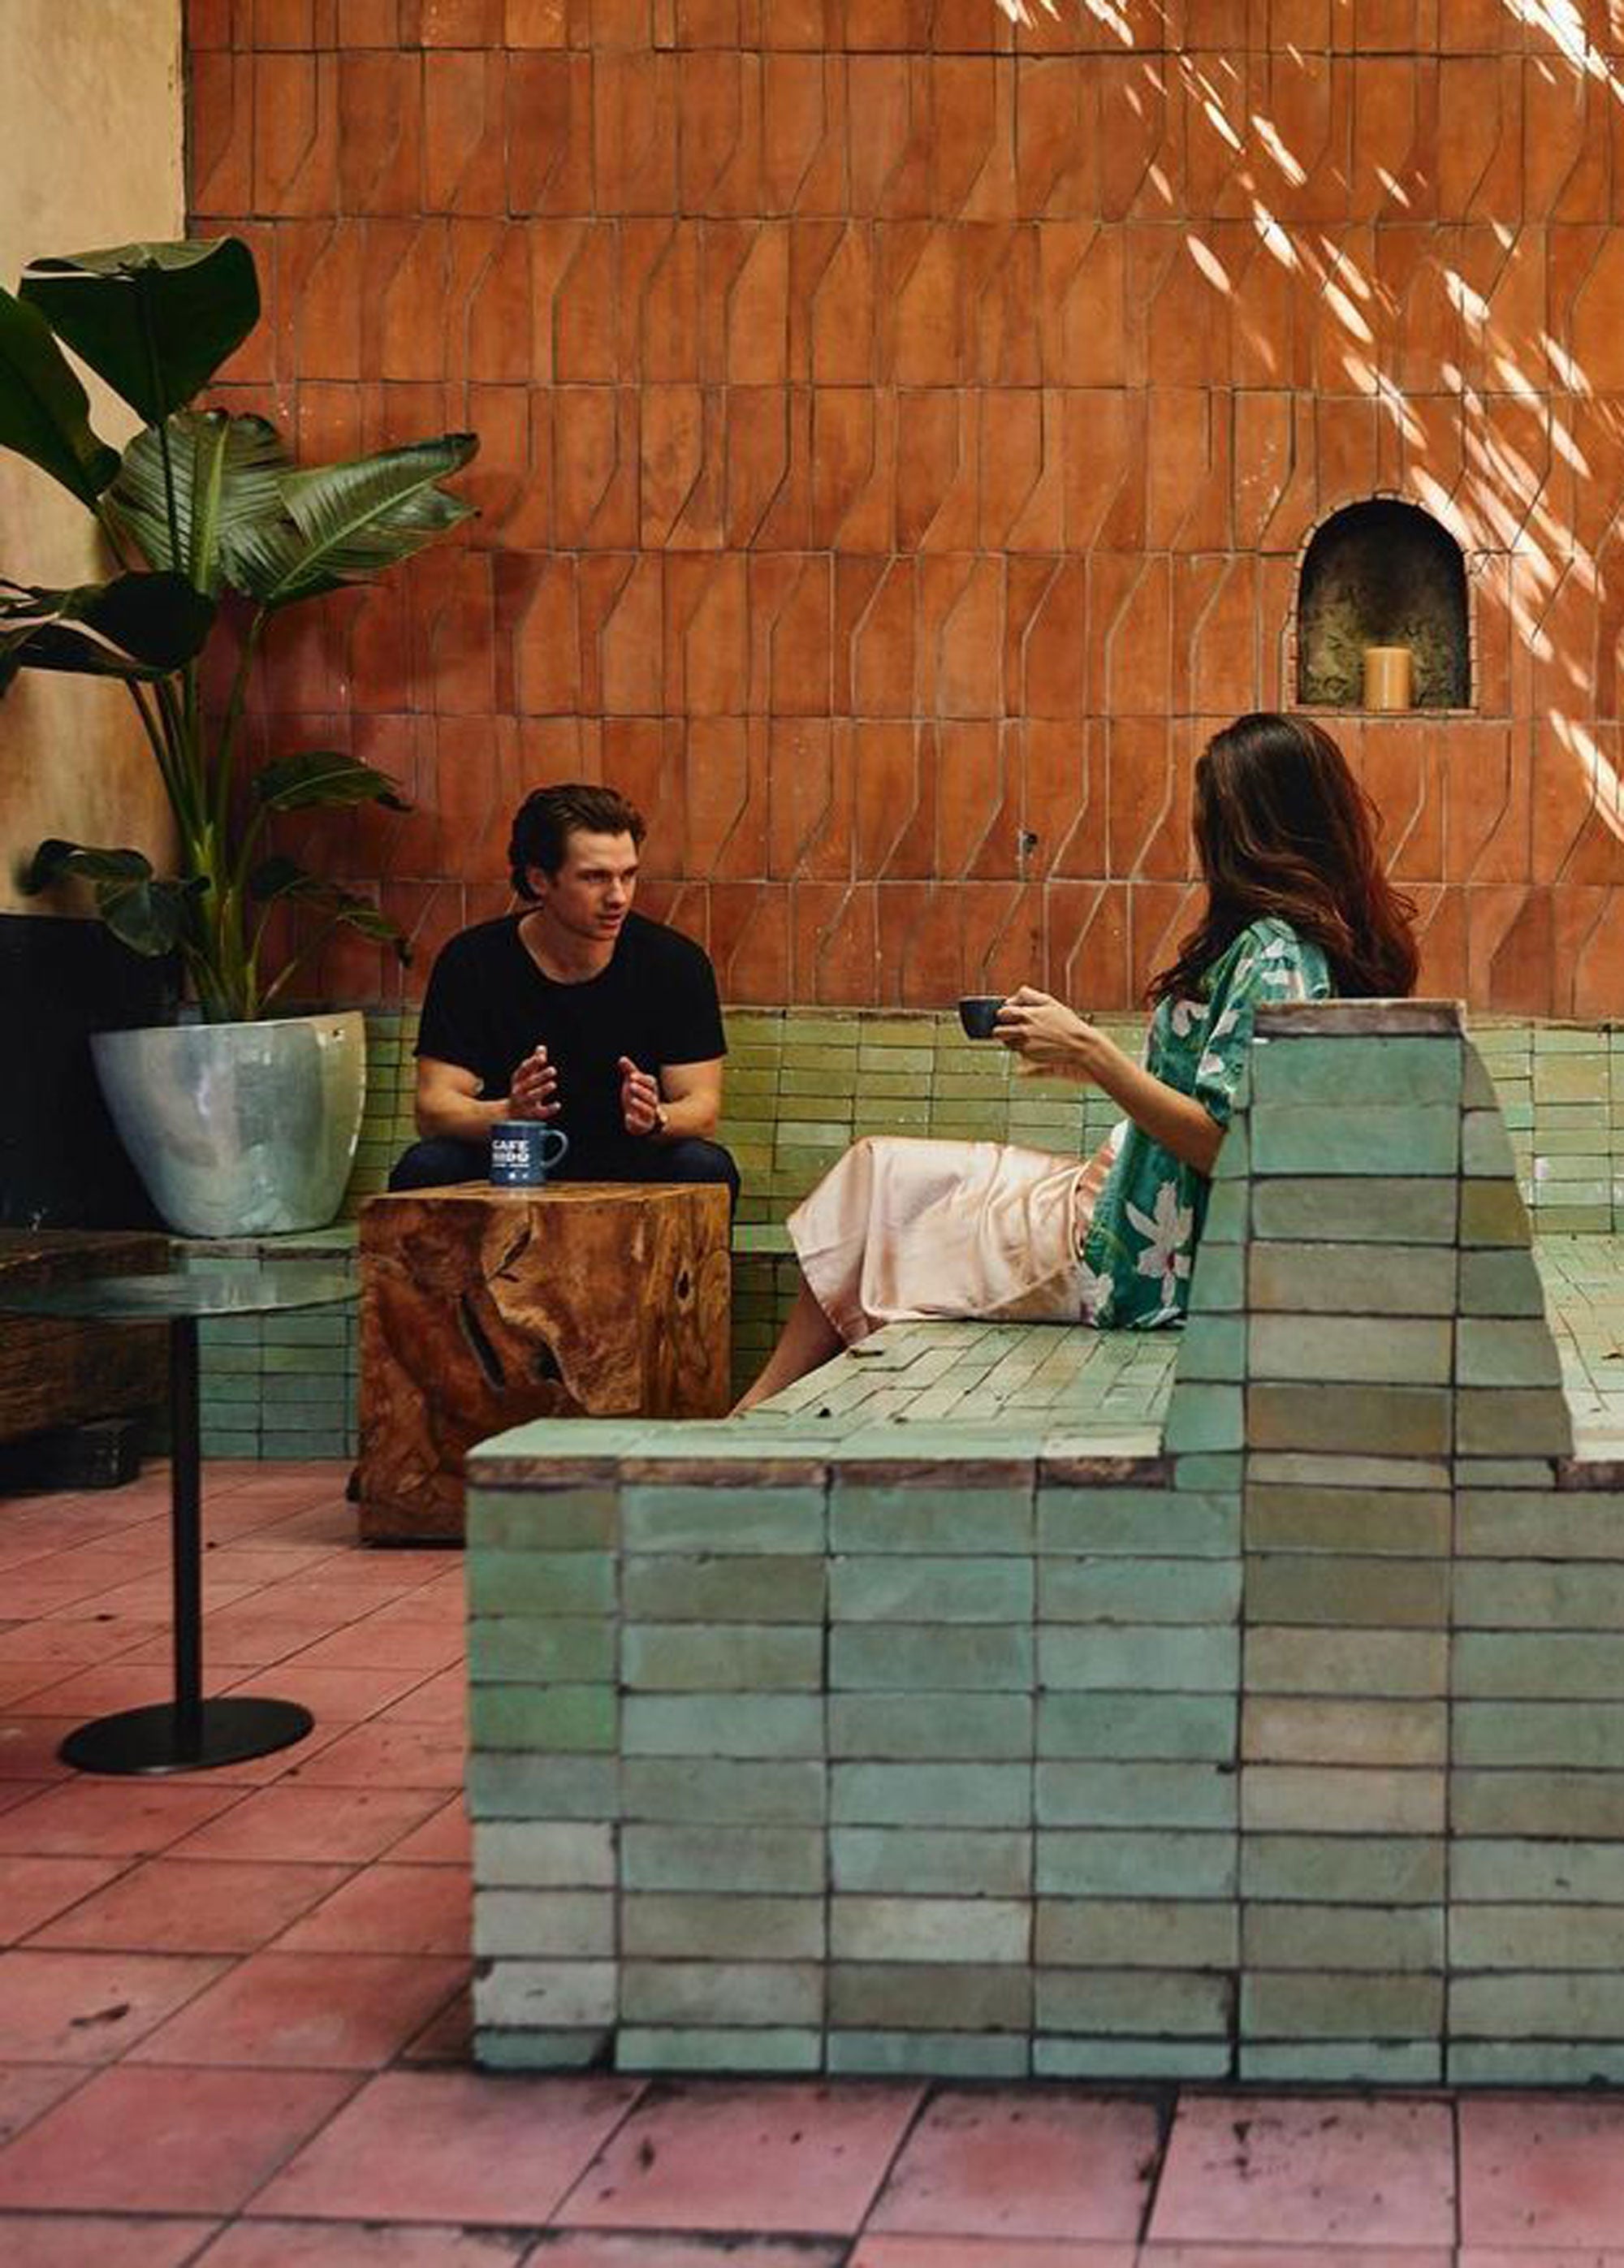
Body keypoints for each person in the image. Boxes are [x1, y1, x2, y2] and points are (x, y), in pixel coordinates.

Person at [734, 711, 1419, 1412]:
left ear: (1249, 824)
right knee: (881, 1174)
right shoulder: (1278, 943)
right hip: (1122, 1191)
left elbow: (1237, 1147)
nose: (1196, 823)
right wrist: (1085, 1062)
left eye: (1208, 806)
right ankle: (765, 1407)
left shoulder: (1275, 955)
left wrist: (1092, 1051)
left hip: (1139, 1253)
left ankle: (756, 1411)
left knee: (882, 1183)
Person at [390, 783, 737, 1207]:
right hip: (513, 1156)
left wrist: (655, 1118)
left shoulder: (674, 963)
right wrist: (504, 1114)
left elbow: (702, 1107)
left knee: (705, 1167)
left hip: (630, 1158)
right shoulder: (473, 960)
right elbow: (432, 1108)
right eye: (594, 878)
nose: (618, 897)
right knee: (426, 1167)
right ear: (539, 880)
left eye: (628, 875)